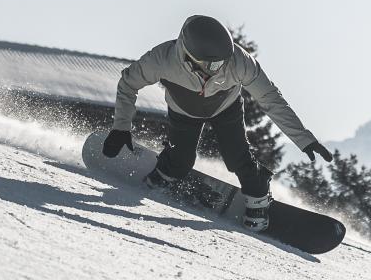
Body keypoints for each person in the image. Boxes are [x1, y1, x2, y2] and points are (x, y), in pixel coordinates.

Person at [100, 15, 331, 230]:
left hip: (225, 108)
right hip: (184, 111)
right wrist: (121, 127)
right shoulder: (162, 59)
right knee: (182, 160)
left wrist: (304, 139)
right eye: (212, 65)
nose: (220, 69)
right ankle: (167, 171)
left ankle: (258, 194)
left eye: (223, 62)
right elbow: (128, 83)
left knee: (237, 156)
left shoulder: (240, 61)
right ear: (189, 57)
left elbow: (271, 99)